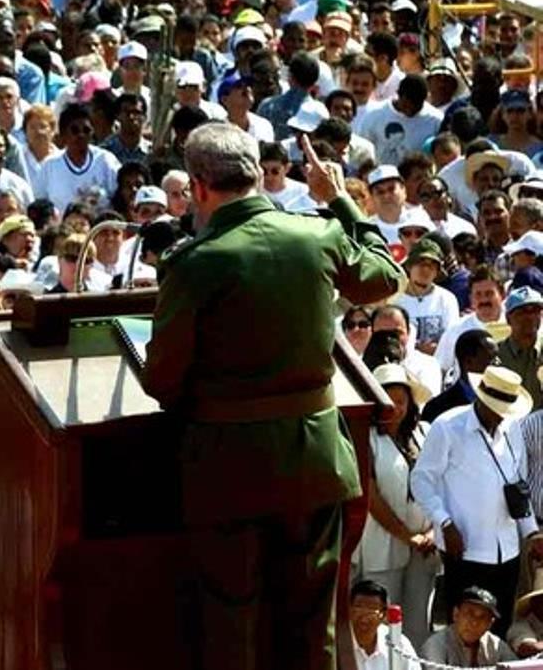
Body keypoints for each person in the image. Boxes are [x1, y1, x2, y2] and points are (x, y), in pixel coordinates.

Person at [142, 126, 400, 668]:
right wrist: (342, 202)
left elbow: (162, 381)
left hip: (228, 472)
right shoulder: (317, 234)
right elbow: (385, 276)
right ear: (259, 175)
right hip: (317, 464)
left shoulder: (195, 262)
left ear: (198, 187)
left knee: (232, 627)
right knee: (312, 627)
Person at [412, 366, 543, 633]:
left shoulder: (512, 429)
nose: (500, 416)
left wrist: (531, 534)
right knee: (464, 629)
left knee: (500, 625)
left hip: (508, 550)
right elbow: (421, 480)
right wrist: (445, 523)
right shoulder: (448, 427)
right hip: (465, 548)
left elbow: (519, 487)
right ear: (481, 399)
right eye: (496, 408)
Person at [353, 364, 438, 647]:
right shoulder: (364, 438)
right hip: (383, 544)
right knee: (383, 623)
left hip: (425, 546)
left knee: (417, 621)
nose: (395, 408)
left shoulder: (423, 433)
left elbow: (439, 482)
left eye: (401, 401)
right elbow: (370, 497)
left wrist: (432, 533)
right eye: (387, 400)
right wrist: (407, 536)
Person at [420, 586, 517, 665]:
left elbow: (517, 666)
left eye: (482, 617)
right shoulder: (436, 646)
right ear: (456, 614)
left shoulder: (495, 645)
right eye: (469, 614)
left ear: (490, 624)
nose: (475, 622)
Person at [348, 579, 420, 670]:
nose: (364, 616)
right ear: (349, 610)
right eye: (359, 607)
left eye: (372, 609)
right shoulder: (338, 643)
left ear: (384, 615)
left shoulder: (398, 643)